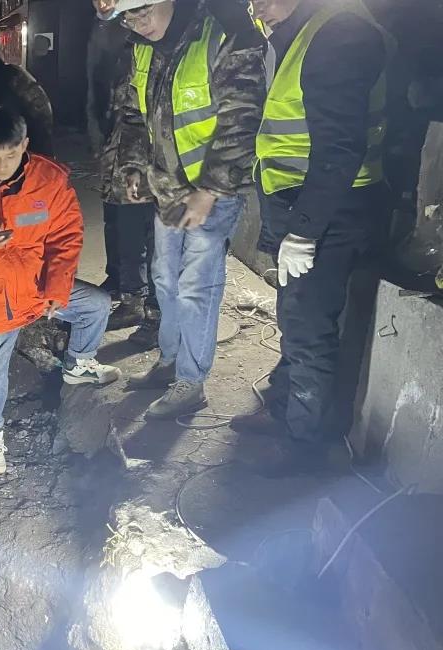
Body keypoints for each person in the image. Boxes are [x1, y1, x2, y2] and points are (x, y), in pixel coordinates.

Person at [230, 0, 389, 471]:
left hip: (327, 211)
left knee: (308, 330)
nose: (258, 10)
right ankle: (284, 408)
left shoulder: (340, 32)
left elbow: (340, 146)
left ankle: (304, 446)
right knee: (295, 316)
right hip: (305, 202)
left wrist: (304, 231)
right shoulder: (306, 29)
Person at [0, 109, 121, 474]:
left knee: (96, 305)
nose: (1, 166)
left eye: (11, 156)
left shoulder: (49, 181)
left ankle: (78, 364)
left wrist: (56, 287)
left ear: (25, 145)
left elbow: (66, 236)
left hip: (35, 285)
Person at [104, 0, 266, 420]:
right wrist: (135, 167)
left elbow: (242, 120)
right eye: (128, 16)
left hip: (213, 193)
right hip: (169, 190)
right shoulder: (141, 47)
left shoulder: (220, 35)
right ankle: (170, 360)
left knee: (196, 285)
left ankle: (191, 383)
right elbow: (134, 115)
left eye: (143, 10)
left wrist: (210, 191)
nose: (137, 22)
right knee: (165, 277)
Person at [96, 25, 160, 348]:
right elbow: (120, 118)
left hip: (149, 172)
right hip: (122, 167)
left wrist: (138, 168)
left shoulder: (157, 56)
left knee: (145, 242)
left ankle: (150, 311)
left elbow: (146, 121)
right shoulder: (126, 60)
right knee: (123, 233)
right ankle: (129, 295)